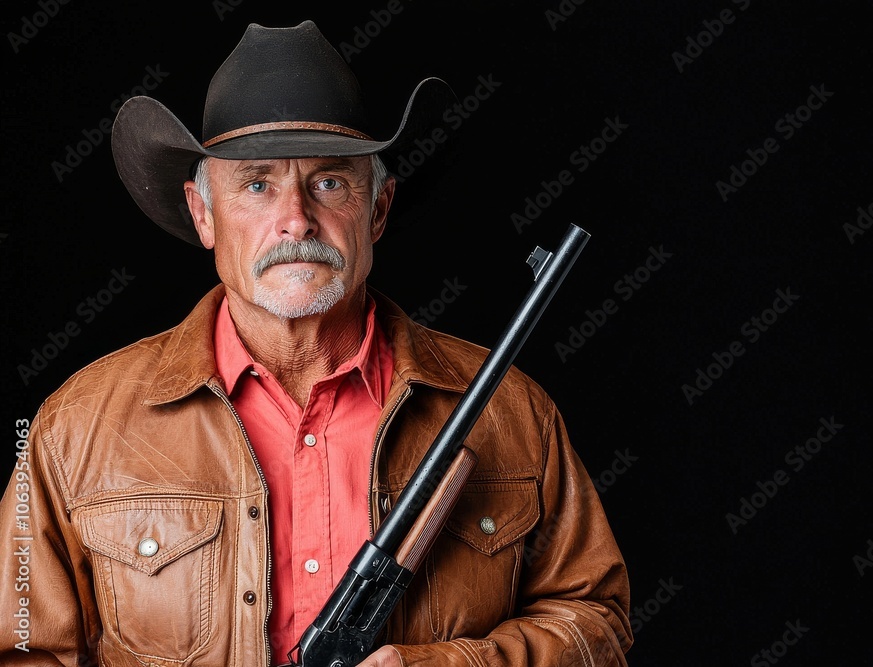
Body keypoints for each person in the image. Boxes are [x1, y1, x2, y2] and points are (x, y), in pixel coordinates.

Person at [0, 19, 632, 666]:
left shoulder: (514, 411)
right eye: (256, 184)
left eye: (329, 182)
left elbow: (599, 625)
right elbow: (22, 651)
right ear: (202, 214)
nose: (296, 218)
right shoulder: (76, 428)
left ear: (378, 209)